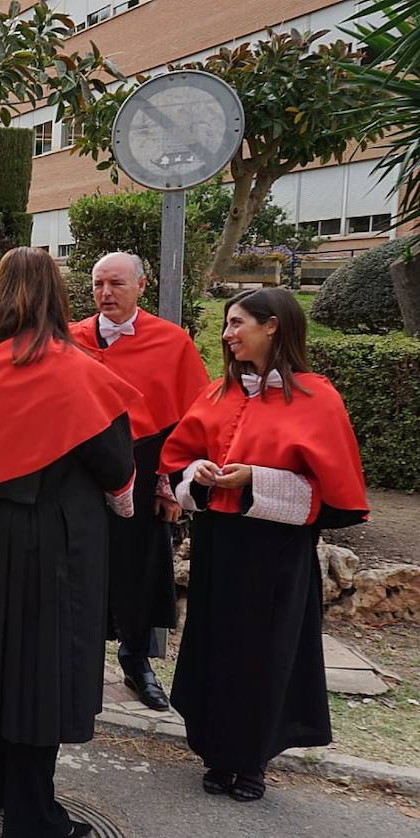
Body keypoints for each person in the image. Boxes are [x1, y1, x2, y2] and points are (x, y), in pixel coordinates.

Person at [0, 247, 140, 837]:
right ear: (57, 296)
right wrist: (124, 503)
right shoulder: (70, 368)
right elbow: (114, 463)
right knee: (38, 667)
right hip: (49, 539)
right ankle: (32, 814)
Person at [161, 288, 368, 803]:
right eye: (227, 324)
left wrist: (255, 479)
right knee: (215, 647)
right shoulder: (215, 394)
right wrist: (200, 475)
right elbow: (177, 466)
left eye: (237, 324)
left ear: (272, 325)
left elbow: (334, 497)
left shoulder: (319, 398)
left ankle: (251, 761)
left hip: (276, 553)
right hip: (220, 547)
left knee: (265, 655)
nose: (227, 335)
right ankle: (214, 751)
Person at [69, 252, 210, 712]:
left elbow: (192, 419)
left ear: (142, 286)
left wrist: (170, 482)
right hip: (85, 469)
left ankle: (137, 663)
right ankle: (78, 661)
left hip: (147, 463)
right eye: (98, 285)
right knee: (80, 565)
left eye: (117, 284)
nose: (106, 294)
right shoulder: (71, 339)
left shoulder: (171, 342)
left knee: (141, 568)